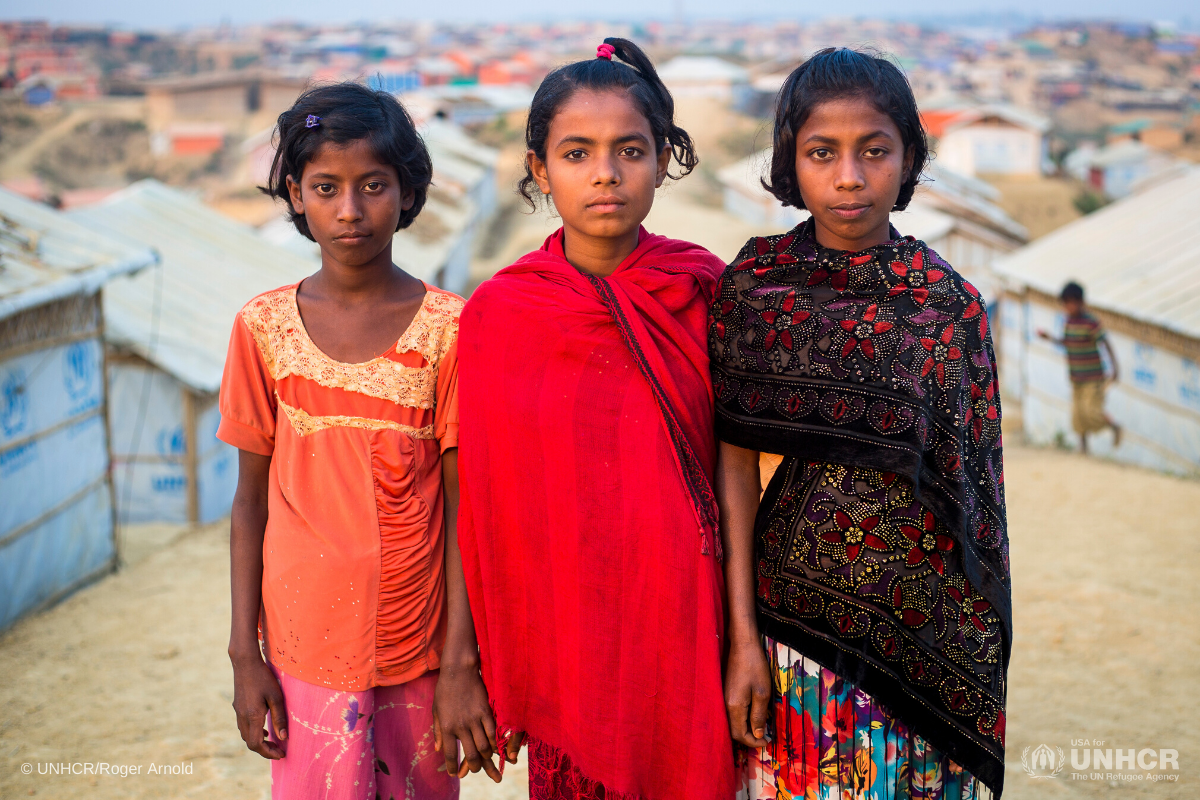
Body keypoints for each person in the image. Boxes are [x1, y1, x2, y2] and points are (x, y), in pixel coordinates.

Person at [440, 38, 736, 800]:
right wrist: (460, 663)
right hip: (568, 640)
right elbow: (483, 505)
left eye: (630, 149)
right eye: (577, 153)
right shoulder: (503, 315)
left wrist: (746, 646)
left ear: (664, 156)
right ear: (540, 168)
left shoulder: (705, 292)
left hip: (686, 633)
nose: (605, 173)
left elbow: (739, 474)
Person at [711, 49, 1009, 799]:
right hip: (791, 645)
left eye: (874, 151)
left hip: (923, 647)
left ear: (908, 158)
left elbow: (974, 503)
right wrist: (741, 639)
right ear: (791, 161)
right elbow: (735, 468)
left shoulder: (947, 306)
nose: (849, 177)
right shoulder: (755, 289)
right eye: (822, 153)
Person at [218, 82, 463, 799]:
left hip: (420, 644)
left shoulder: (451, 329)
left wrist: (460, 663)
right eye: (326, 187)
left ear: (409, 193)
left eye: (373, 186)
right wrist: (244, 655)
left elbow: (465, 509)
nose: (350, 210)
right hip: (299, 648)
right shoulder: (262, 328)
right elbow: (248, 505)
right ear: (296, 193)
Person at [1037, 282, 1121, 454]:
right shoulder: (1068, 322)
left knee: (1091, 411)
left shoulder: (1091, 322)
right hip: (1076, 377)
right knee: (1078, 416)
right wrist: (1049, 338)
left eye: (1072, 302)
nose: (1069, 306)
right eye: (1066, 303)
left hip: (1094, 377)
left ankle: (1113, 426)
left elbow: (1106, 343)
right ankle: (1083, 449)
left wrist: (1115, 368)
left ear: (1081, 302)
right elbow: (1067, 343)